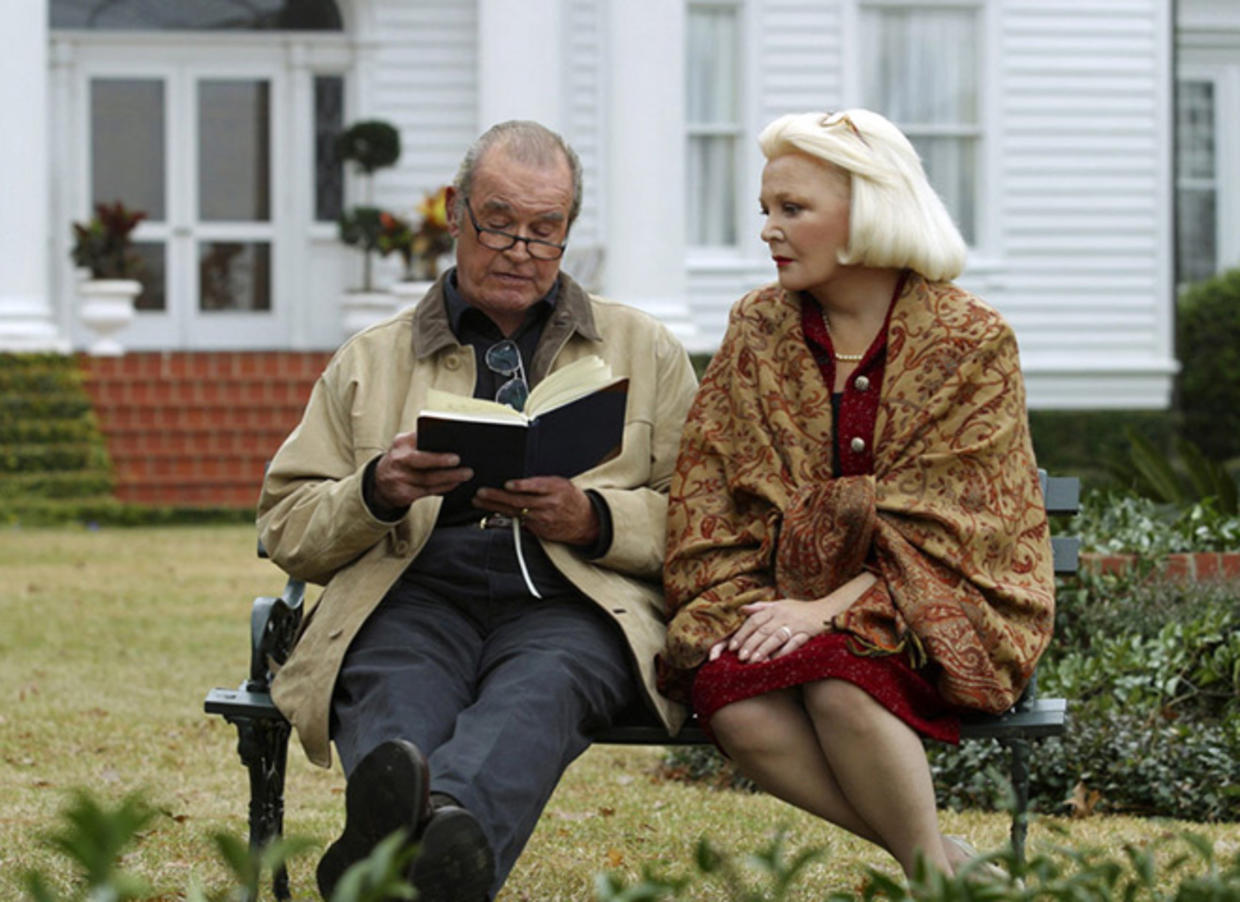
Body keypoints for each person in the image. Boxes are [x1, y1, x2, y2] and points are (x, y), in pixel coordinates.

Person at [258, 120, 698, 901]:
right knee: (394, 693)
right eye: (498, 222)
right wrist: (377, 490)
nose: (519, 249)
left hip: (572, 600)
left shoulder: (646, 351)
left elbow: (705, 522)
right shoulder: (373, 358)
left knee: (545, 687)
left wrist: (593, 517)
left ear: (568, 232)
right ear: (458, 213)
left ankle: (411, 846)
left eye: (545, 230)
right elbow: (285, 524)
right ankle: (443, 845)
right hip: (412, 590)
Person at [658, 109, 1055, 879]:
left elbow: (966, 526)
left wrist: (822, 610)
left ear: (869, 212)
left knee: (841, 684)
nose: (768, 230)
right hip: (778, 591)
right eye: (765, 210)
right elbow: (714, 483)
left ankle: (929, 879)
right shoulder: (757, 328)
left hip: (943, 600)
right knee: (732, 700)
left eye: (792, 209)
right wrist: (774, 601)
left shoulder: (971, 340)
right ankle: (941, 865)